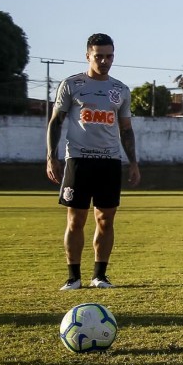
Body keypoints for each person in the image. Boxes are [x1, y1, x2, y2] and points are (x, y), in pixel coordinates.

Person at [47, 33, 140, 290]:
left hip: (109, 162)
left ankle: (100, 275)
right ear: (88, 55)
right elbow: (56, 122)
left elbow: (126, 129)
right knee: (75, 219)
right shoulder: (72, 84)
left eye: (109, 56)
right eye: (99, 56)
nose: (104, 60)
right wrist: (51, 157)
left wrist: (133, 162)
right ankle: (73, 277)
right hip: (78, 160)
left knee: (105, 219)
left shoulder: (120, 90)